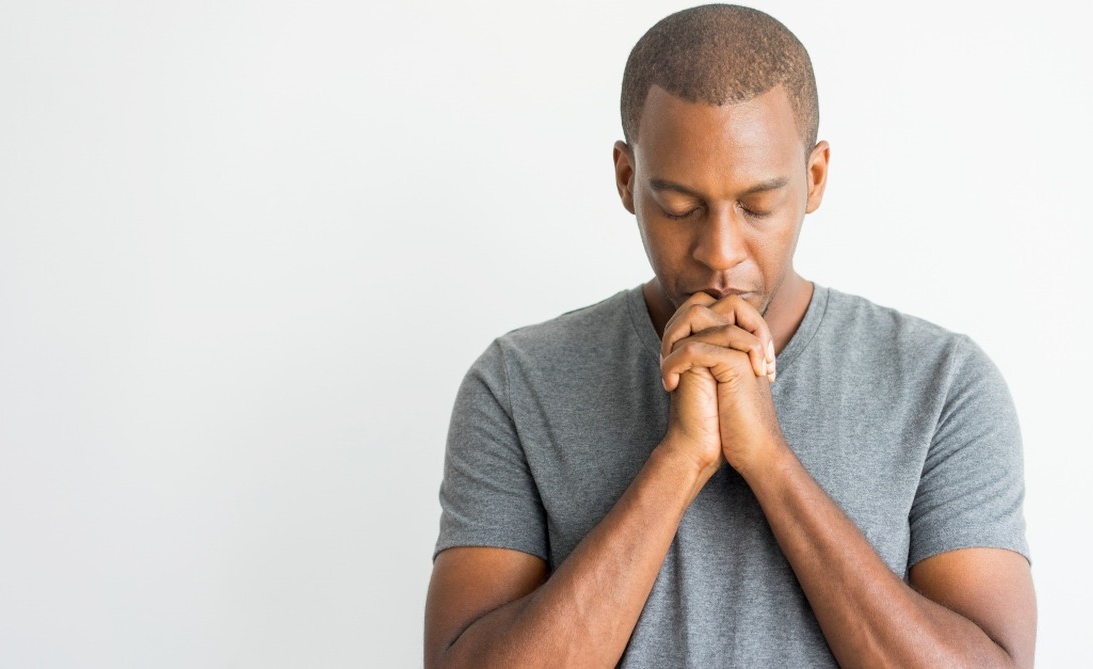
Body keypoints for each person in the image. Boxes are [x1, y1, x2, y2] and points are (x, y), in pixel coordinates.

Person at [424, 5, 1036, 668]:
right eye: (680, 206)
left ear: (815, 177)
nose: (720, 253)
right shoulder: (518, 384)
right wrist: (679, 461)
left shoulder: (942, 382)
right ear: (628, 180)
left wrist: (770, 462)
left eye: (757, 205)